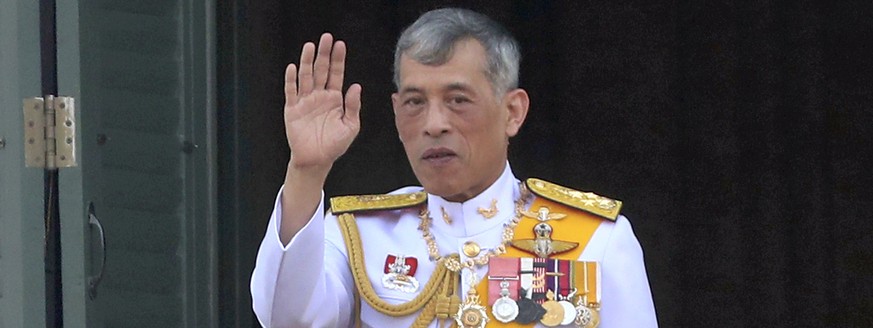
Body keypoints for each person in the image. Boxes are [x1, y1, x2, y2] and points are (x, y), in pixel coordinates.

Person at [251, 8, 657, 328]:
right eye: (414, 102)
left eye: (458, 100)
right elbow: (287, 319)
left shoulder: (595, 238)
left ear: (513, 112)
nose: (434, 124)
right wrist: (307, 169)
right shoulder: (358, 234)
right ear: (395, 113)